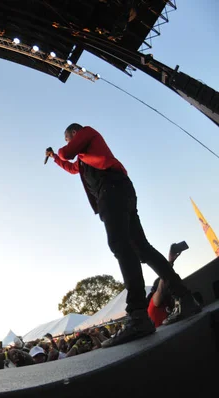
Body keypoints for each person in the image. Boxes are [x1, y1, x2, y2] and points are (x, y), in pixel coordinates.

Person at [46, 123, 201, 348]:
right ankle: (185, 298)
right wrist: (53, 158)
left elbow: (67, 153)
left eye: (68, 138)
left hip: (112, 191)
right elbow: (70, 166)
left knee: (120, 245)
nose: (68, 143)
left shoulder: (87, 133)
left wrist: (59, 151)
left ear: (73, 134)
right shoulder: (83, 159)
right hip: (120, 191)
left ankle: (138, 316)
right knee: (142, 249)